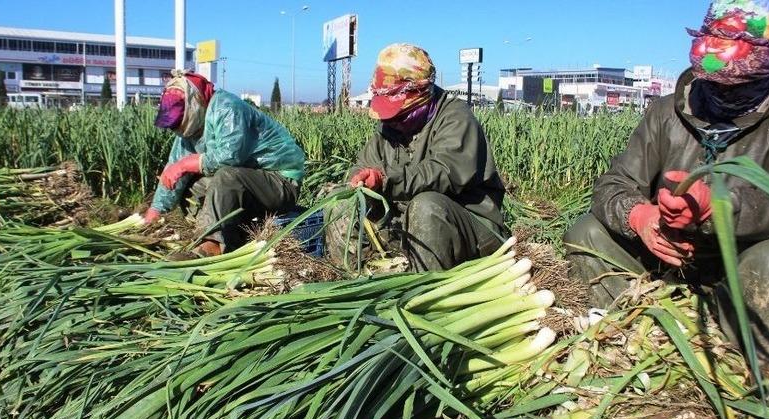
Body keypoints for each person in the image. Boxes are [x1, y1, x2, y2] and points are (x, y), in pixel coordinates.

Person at [564, 0, 769, 376]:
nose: (719, 92)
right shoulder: (666, 111)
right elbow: (614, 183)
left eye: (734, 85)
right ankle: (627, 340)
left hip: (737, 266)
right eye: (711, 80)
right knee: (585, 232)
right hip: (663, 258)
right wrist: (640, 216)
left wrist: (716, 207)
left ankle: (761, 378)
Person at [333, 43, 505, 272]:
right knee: (341, 200)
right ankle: (353, 281)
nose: (390, 121)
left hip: (470, 225)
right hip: (406, 223)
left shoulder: (456, 118)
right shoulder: (389, 128)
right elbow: (364, 164)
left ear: (421, 94)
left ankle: (424, 294)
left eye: (398, 114)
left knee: (426, 207)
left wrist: (385, 180)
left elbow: (443, 173)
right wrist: (359, 177)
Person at [143, 70, 305, 255]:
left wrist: (185, 164)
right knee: (192, 185)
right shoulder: (190, 129)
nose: (177, 129)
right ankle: (229, 232)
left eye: (178, 121)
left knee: (226, 175)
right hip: (248, 185)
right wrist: (155, 211)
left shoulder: (227, 108)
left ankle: (212, 244)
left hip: (279, 182)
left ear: (193, 104)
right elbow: (174, 167)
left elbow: (232, 156)